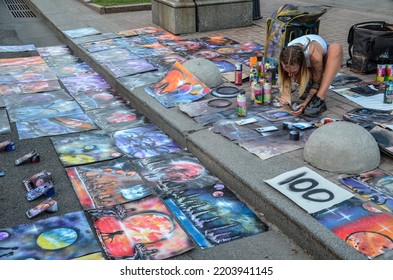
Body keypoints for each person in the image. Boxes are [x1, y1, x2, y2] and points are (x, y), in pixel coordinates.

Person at [278, 34, 343, 117]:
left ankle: (319, 99)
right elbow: (285, 78)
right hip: (306, 66)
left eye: (294, 71)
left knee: (335, 48)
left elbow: (317, 83)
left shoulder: (314, 55)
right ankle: (306, 86)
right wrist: (285, 96)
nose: (290, 75)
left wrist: (305, 103)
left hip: (323, 59)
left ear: (301, 64)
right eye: (287, 71)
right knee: (299, 74)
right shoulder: (286, 56)